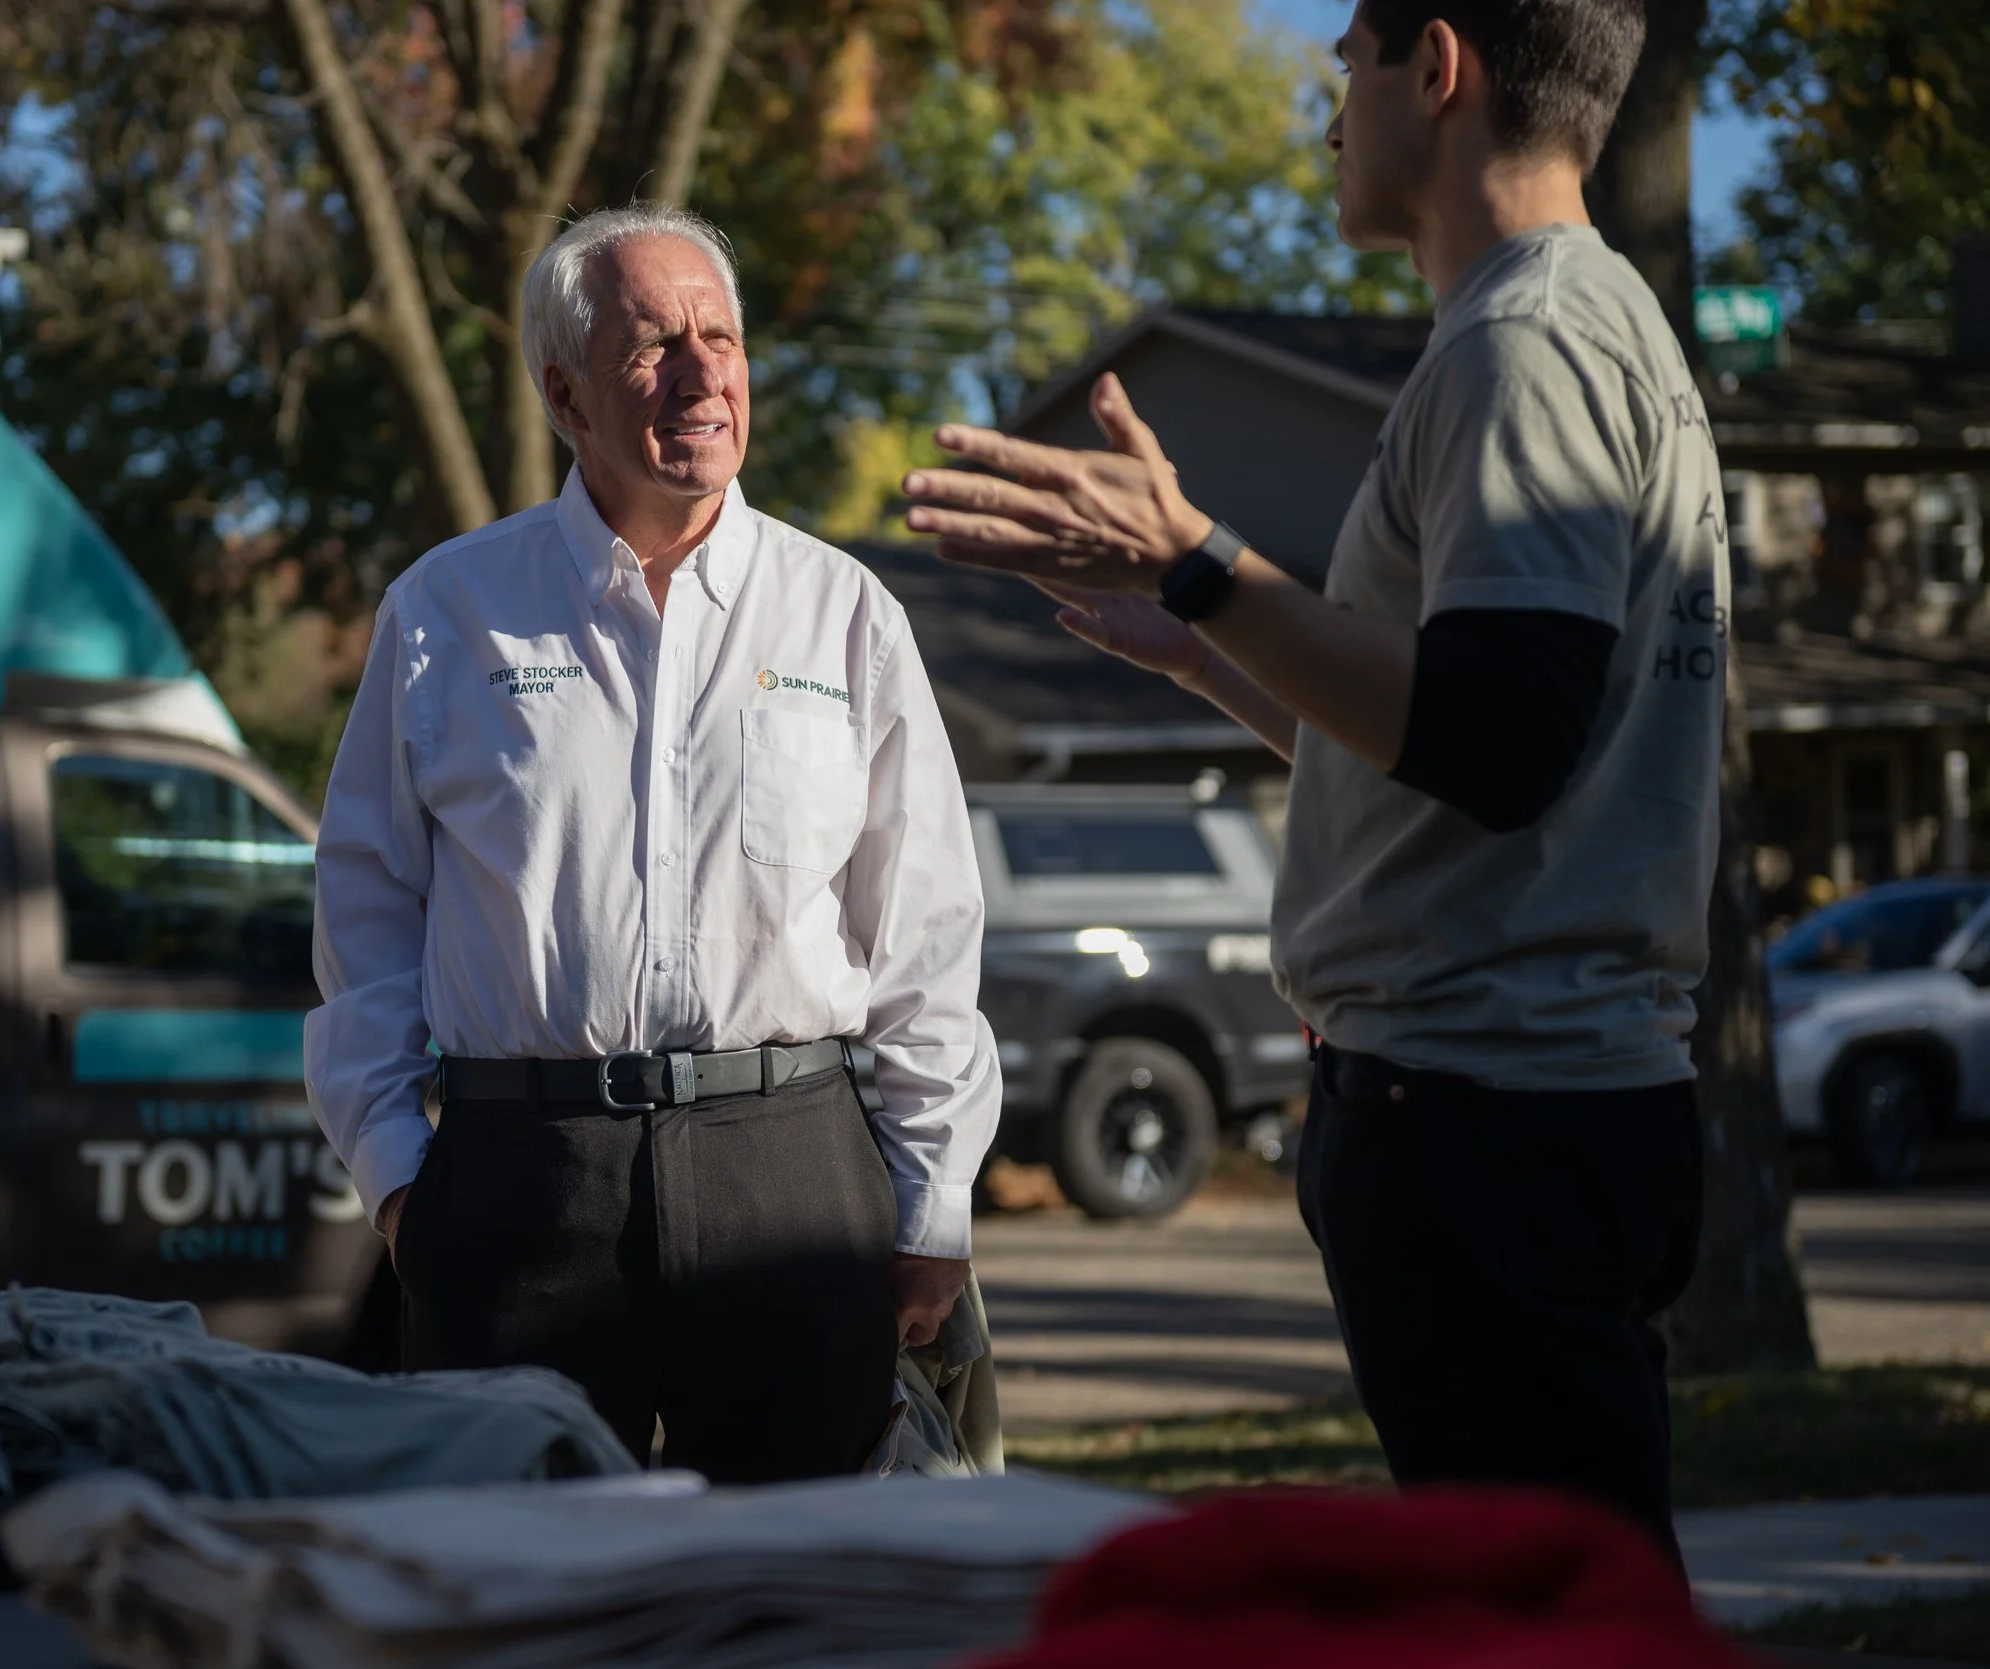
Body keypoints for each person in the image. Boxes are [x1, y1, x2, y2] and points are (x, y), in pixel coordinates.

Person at [899, 0, 1717, 1558]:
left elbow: (1498, 738)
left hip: (1488, 1112)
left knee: (1550, 1624)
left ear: (1441, 63)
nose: (1329, 110)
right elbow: (1478, 759)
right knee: (1577, 1597)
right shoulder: (1594, 322)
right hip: (1538, 1102)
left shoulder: (1520, 343)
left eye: (1345, 60)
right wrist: (1209, 650)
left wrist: (1203, 564)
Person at [308, 205, 1002, 1482]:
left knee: (805, 1596)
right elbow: (365, 921)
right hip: (522, 1186)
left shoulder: (844, 613)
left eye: (718, 336)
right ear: (564, 392)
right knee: (520, 1593)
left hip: (791, 1170)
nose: (699, 373)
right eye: (651, 345)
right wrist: (404, 1180)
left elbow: (924, 932)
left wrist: (933, 1194)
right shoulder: (446, 614)